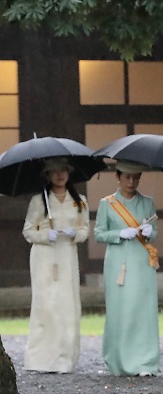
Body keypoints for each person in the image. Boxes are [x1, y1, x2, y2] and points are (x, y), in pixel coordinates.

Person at [21, 157, 90, 373]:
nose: (60, 175)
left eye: (63, 170)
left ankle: (64, 358)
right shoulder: (39, 201)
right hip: (44, 256)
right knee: (46, 304)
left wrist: (74, 234)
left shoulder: (80, 201)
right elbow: (28, 231)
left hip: (66, 254)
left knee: (67, 304)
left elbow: (85, 229)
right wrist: (44, 235)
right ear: (47, 176)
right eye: (54, 171)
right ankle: (40, 358)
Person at [94, 160, 160, 377]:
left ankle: (145, 361)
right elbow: (99, 233)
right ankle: (119, 359)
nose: (131, 182)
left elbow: (155, 232)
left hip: (142, 261)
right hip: (119, 262)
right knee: (121, 309)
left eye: (135, 177)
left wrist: (149, 231)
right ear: (119, 177)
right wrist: (119, 234)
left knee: (143, 310)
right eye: (127, 177)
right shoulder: (108, 203)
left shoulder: (147, 202)